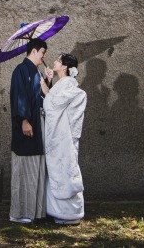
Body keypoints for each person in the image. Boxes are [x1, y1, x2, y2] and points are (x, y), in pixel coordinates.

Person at [41, 52, 87, 225]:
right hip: (59, 137)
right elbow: (54, 100)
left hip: (63, 138)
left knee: (64, 169)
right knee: (57, 170)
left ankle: (69, 213)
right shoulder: (62, 84)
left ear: (65, 67)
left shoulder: (69, 86)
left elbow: (53, 104)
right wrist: (48, 81)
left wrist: (45, 89)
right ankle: (58, 211)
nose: (54, 61)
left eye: (58, 60)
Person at [9, 38, 51, 224]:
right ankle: (21, 213)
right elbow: (19, 96)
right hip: (28, 125)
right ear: (34, 51)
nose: (43, 57)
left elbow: (41, 98)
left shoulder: (37, 72)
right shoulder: (21, 70)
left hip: (38, 126)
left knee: (36, 168)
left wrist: (48, 80)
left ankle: (35, 212)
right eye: (42, 52)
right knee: (25, 169)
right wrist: (24, 120)